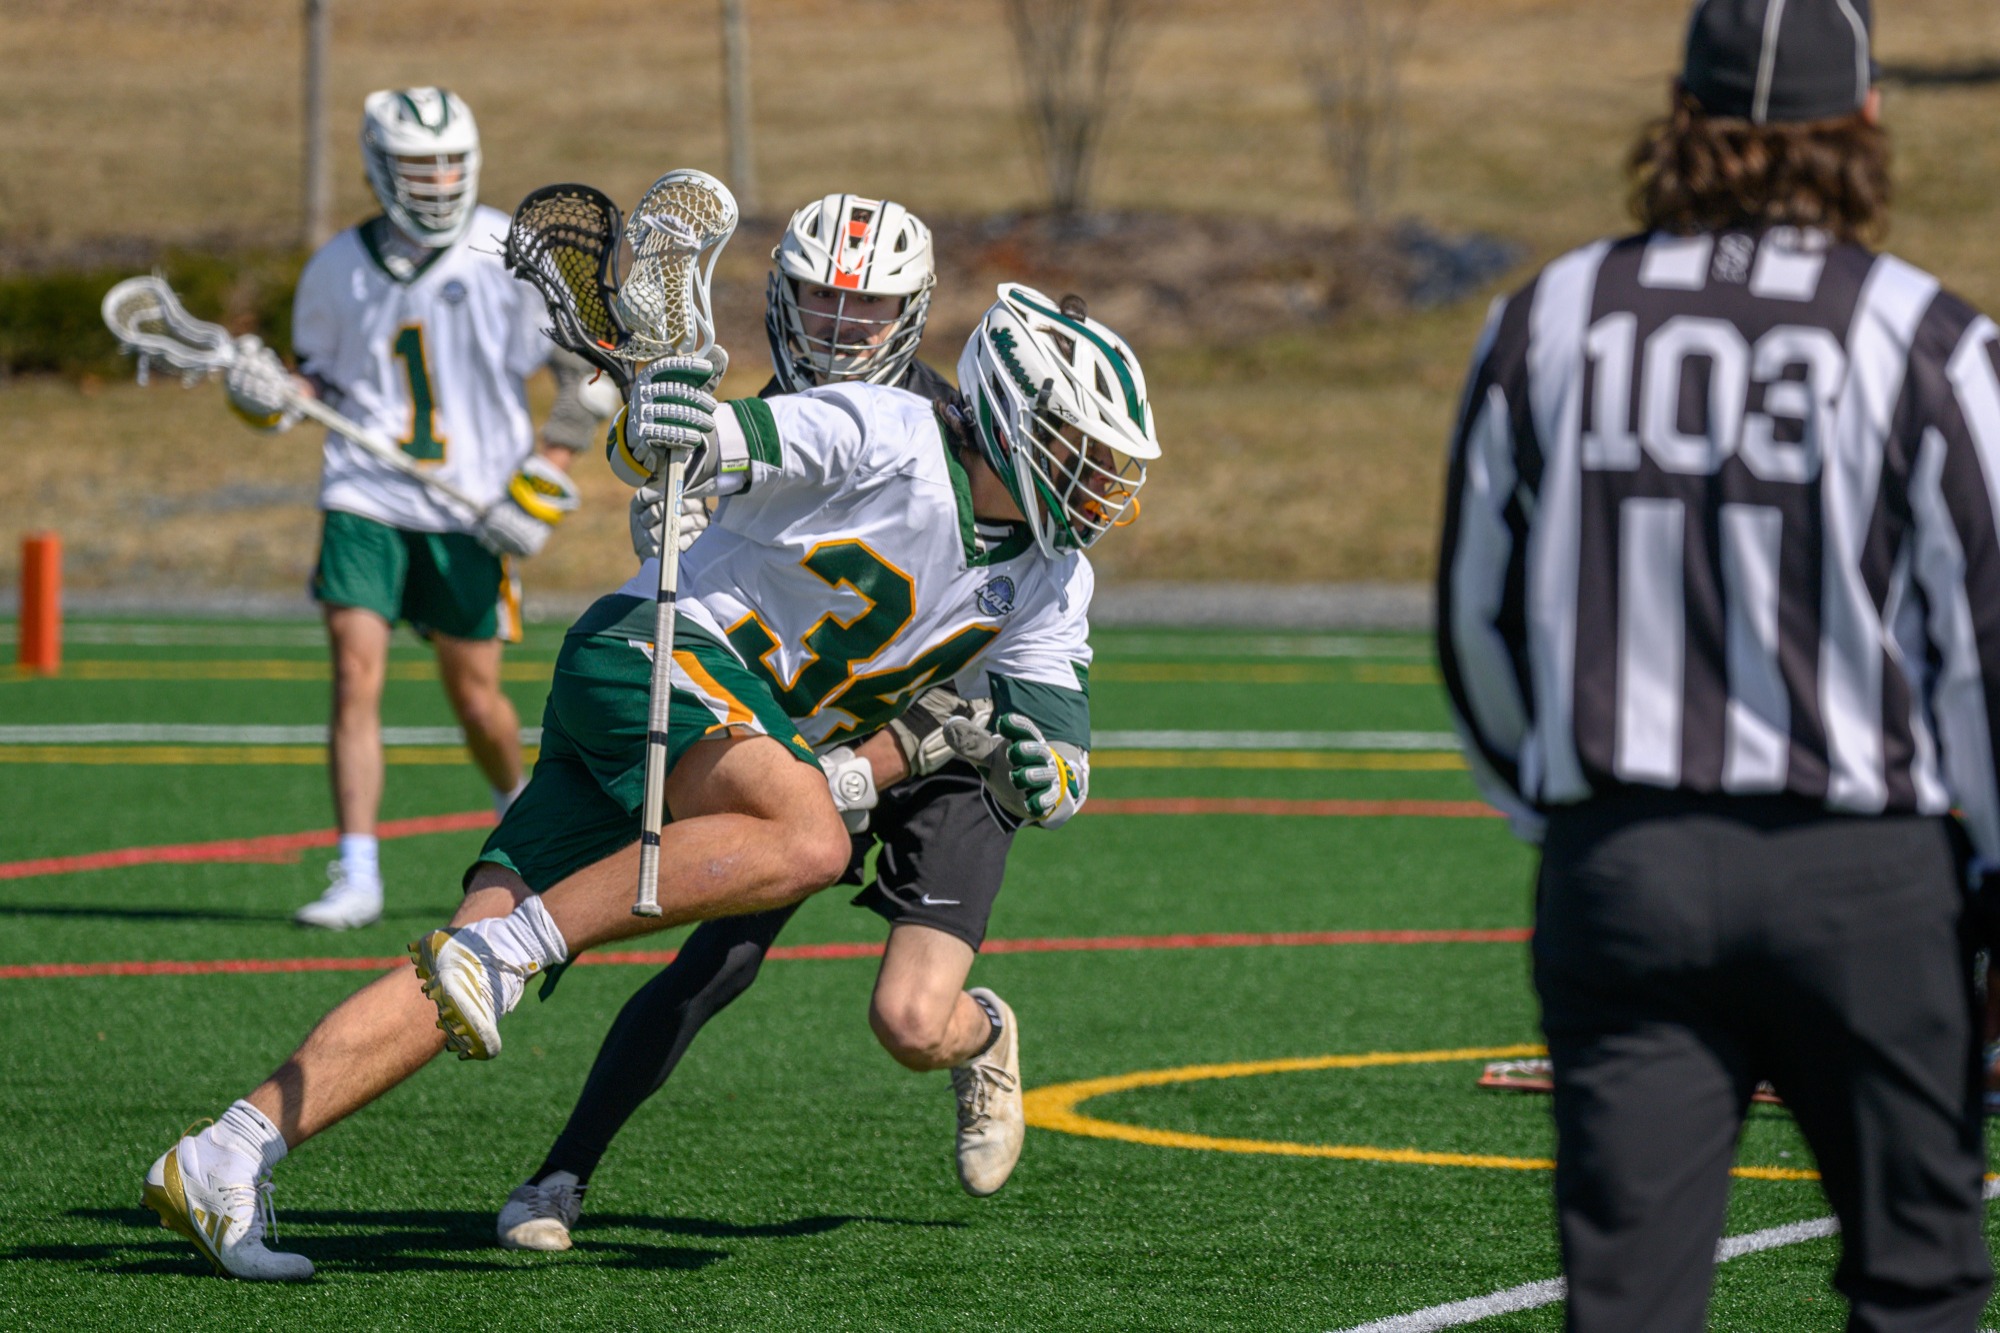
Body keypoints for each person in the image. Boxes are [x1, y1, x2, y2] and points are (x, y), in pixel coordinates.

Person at [142, 281, 1160, 1280]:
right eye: (1084, 448)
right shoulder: (886, 428)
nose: (1103, 477)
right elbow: (719, 440)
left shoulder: (1054, 576)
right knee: (806, 839)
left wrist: (1043, 778)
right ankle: (518, 954)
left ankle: (227, 1152)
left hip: (710, 726)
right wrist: (668, 424)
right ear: (1005, 415)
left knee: (455, 969)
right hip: (654, 661)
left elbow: (1062, 759)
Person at [1437, 1, 1994, 1327]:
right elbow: (1983, 652)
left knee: (1628, 1298)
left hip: (1624, 865)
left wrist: (1566, 812)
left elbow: (1475, 618)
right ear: (1864, 122)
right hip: (1866, 877)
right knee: (1916, 1283)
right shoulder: (1926, 336)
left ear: (1681, 115)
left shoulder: (1546, 317)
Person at [494, 195, 1051, 1255]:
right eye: (818, 298)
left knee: (910, 1023)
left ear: (913, 309)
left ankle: (981, 1036)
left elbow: (1014, 641)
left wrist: (878, 762)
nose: (841, 324)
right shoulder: (767, 418)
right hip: (802, 724)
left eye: (869, 303)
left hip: (943, 739)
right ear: (780, 297)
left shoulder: (965, 438)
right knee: (715, 961)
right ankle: (561, 1173)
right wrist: (663, 506)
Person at [222, 87, 612, 931]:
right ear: (377, 165)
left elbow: (591, 378)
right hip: (365, 492)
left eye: (449, 162)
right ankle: (357, 866)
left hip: (473, 507)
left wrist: (541, 480)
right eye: (417, 164)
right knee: (354, 673)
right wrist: (268, 394)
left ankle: (524, 819)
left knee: (476, 697)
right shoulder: (337, 267)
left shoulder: (508, 248)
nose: (436, 181)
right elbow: (315, 385)